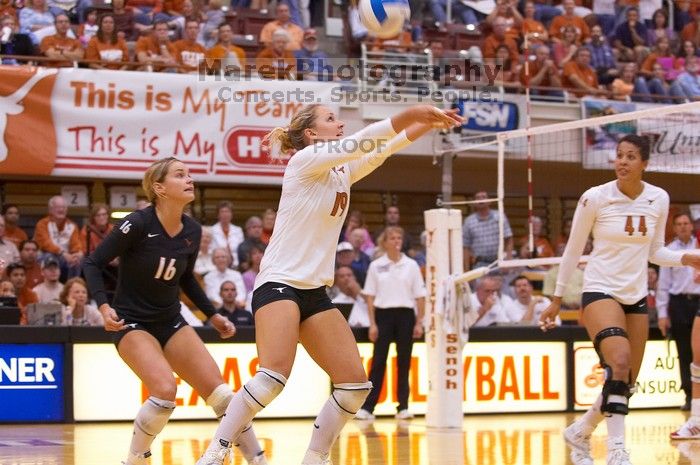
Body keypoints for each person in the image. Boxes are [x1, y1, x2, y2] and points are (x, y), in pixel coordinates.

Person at [197, 103, 461, 465]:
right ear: (311, 133)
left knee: (355, 388)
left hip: (314, 291)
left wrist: (426, 124)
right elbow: (367, 139)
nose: (339, 124)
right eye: (331, 120)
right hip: (279, 283)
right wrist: (413, 110)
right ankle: (217, 451)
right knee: (271, 377)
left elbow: (383, 148)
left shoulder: (341, 170)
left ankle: (315, 459)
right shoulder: (304, 161)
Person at [82, 158, 268, 465]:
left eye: (189, 174)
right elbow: (91, 262)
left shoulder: (192, 230)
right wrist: (103, 306)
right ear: (159, 188)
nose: (189, 179)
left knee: (223, 395)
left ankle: (258, 460)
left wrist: (212, 315)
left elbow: (185, 279)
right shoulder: (138, 224)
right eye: (180, 175)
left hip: (170, 319)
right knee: (165, 391)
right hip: (131, 321)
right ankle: (135, 460)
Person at [539, 135, 700, 465]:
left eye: (630, 157)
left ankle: (580, 430)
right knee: (620, 361)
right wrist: (556, 298)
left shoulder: (658, 198)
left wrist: (685, 258)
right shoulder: (595, 198)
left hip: (635, 294)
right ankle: (617, 451)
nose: (622, 162)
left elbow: (655, 251)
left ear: (645, 163)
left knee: (625, 381)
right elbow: (573, 250)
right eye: (619, 156)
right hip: (600, 289)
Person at [355, 226, 426, 420]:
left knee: (404, 361)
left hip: (405, 315)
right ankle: (368, 408)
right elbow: (370, 296)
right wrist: (373, 324)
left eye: (399, 238)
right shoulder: (376, 265)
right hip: (383, 315)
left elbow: (420, 296)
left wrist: (419, 322)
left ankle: (403, 406)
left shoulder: (411, 265)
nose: (396, 241)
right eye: (392, 238)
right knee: (378, 361)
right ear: (384, 242)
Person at [656, 213, 700, 412]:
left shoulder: (699, 245)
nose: (683, 227)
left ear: (692, 226)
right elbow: (663, 286)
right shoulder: (669, 251)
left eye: (686, 223)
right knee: (684, 351)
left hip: (698, 300)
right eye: (679, 224)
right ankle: (689, 396)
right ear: (674, 228)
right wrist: (662, 314)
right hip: (679, 304)